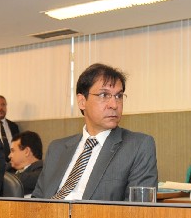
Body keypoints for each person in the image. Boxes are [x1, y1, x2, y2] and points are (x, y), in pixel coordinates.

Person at [32, 63, 158, 201]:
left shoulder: (137, 146)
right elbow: (36, 201)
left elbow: (140, 208)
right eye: (104, 95)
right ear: (82, 101)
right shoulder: (57, 149)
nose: (114, 105)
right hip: (50, 214)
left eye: (119, 96)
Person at [8, 131, 43, 196]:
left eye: (12, 151)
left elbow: (21, 182)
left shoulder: (43, 171)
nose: (9, 156)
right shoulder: (10, 169)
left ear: (27, 151)